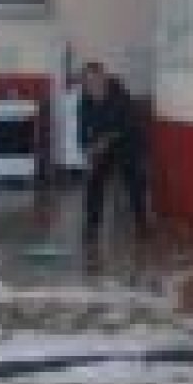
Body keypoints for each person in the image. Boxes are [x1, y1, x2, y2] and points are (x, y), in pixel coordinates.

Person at [77, 62, 148, 248]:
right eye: (88, 82)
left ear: (104, 77)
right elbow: (82, 127)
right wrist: (86, 149)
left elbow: (127, 125)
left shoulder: (120, 95)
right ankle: (92, 226)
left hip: (128, 142)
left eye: (95, 80)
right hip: (103, 145)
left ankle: (141, 222)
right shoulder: (84, 99)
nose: (92, 85)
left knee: (134, 182)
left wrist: (104, 141)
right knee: (94, 181)